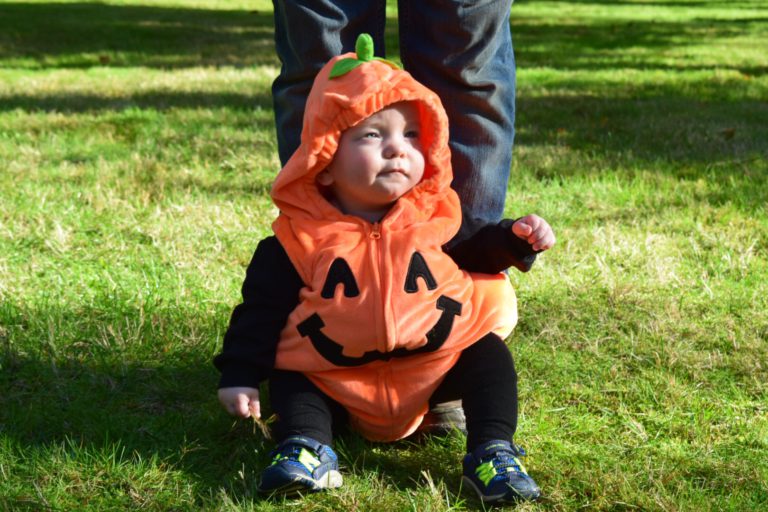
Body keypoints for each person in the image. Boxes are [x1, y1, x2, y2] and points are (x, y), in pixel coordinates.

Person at [214, 35, 554, 504]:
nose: (397, 149)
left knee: (487, 354)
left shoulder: (436, 217)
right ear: (324, 163)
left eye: (411, 135)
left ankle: (493, 450)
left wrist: (514, 239)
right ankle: (307, 446)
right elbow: (259, 312)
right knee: (294, 377)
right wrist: (239, 373)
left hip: (432, 369)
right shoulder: (298, 241)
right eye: (373, 135)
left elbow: (478, 253)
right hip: (335, 377)